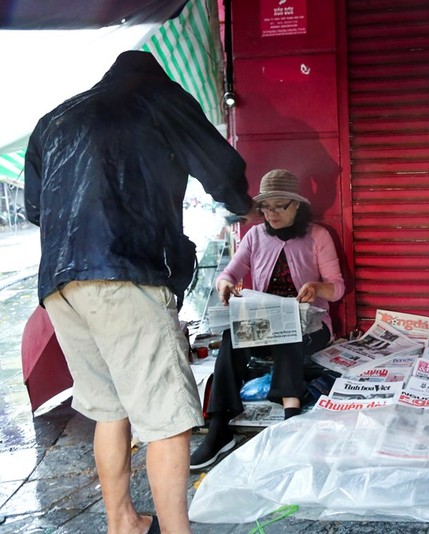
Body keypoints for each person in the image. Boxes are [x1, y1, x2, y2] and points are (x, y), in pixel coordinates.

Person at [24, 50, 260, 534]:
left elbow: (34, 207)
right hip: (124, 273)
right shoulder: (158, 98)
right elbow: (221, 169)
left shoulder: (55, 118)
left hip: (60, 285)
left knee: (108, 409)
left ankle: (122, 523)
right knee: (167, 419)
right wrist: (243, 204)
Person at [189, 169, 346, 470]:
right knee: (229, 339)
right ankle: (220, 426)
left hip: (311, 327)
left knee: (286, 331)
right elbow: (228, 273)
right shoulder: (255, 236)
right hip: (263, 324)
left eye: (279, 206)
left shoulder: (318, 236)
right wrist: (224, 285)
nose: (270, 214)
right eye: (265, 207)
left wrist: (316, 288)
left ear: (296, 205)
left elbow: (337, 287)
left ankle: (290, 418)